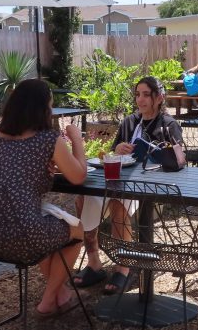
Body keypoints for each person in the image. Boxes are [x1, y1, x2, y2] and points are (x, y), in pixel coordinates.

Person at [0, 79, 86, 317]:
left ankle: (62, 294)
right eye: (50, 106)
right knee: (78, 231)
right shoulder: (47, 139)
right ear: (42, 108)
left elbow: (17, 173)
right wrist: (77, 139)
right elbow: (78, 177)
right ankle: (48, 301)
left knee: (47, 226)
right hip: (22, 234)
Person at [72, 76, 186, 294]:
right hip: (121, 180)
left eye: (145, 95)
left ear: (159, 98)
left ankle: (122, 268)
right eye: (137, 94)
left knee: (116, 203)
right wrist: (119, 150)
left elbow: (179, 160)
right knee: (81, 199)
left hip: (150, 186)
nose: (140, 100)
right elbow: (113, 153)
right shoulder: (129, 122)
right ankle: (94, 263)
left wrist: (152, 150)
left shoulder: (167, 125)